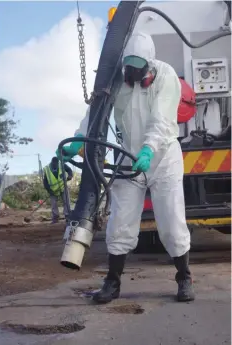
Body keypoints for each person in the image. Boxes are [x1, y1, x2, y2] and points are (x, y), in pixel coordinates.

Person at [56, 32, 195, 303]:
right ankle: (112, 282)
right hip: (129, 157)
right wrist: (78, 139)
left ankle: (184, 277)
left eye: (137, 69)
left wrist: (149, 149)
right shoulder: (116, 81)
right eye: (128, 68)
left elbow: (163, 120)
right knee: (120, 220)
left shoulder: (165, 77)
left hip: (163, 158)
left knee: (171, 220)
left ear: (149, 64)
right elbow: (95, 114)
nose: (132, 75)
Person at [43, 156, 73, 224]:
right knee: (54, 204)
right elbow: (45, 182)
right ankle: (55, 218)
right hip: (53, 190)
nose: (55, 166)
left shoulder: (61, 164)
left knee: (66, 202)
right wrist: (49, 190)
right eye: (54, 165)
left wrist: (70, 175)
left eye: (56, 165)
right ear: (52, 163)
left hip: (63, 187)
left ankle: (67, 216)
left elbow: (69, 170)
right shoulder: (47, 169)